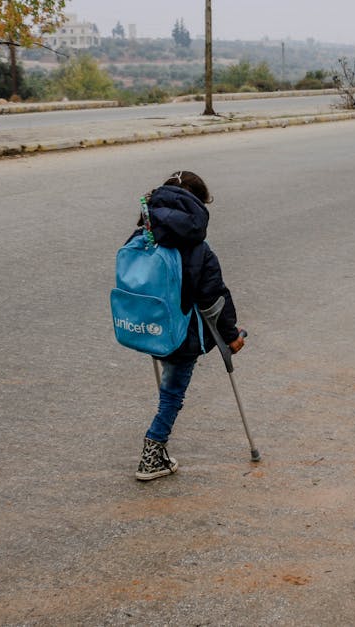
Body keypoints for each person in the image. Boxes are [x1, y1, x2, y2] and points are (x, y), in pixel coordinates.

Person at [131, 171, 244, 481]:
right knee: (172, 394)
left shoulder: (142, 237)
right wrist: (232, 337)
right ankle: (152, 454)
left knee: (169, 384)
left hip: (147, 326)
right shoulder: (199, 250)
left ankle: (156, 445)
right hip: (182, 334)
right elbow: (213, 301)